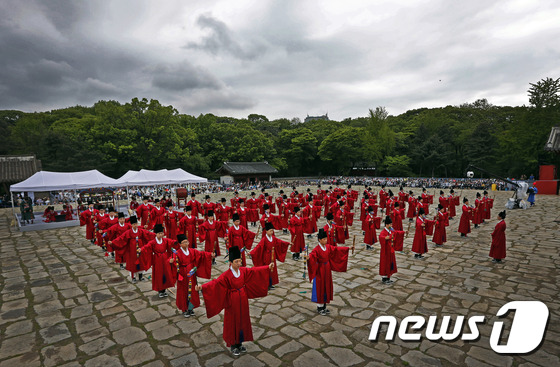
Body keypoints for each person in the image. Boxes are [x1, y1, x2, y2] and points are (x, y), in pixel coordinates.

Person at [196, 246, 273, 356]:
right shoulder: (226, 275)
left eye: (240, 261)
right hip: (232, 302)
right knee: (233, 321)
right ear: (230, 262)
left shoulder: (243, 271)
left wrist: (267, 267)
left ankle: (240, 343)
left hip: (243, 299)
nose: (239, 264)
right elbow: (215, 283)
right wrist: (202, 287)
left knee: (243, 320)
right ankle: (233, 345)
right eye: (236, 261)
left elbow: (254, 271)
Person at [304, 228, 350, 315]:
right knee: (320, 287)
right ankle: (319, 307)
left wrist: (347, 248)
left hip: (327, 269)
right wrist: (309, 257)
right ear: (319, 240)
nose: (326, 240)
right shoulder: (317, 249)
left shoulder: (328, 247)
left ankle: (324, 306)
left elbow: (336, 249)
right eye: (324, 239)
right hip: (320, 270)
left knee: (326, 286)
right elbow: (312, 255)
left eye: (326, 239)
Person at [169, 234, 213, 317]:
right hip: (182, 275)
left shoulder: (192, 251)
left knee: (192, 291)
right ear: (180, 244)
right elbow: (172, 259)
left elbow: (201, 254)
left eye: (187, 242)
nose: (186, 244)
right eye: (184, 242)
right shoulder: (177, 252)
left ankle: (191, 308)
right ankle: (184, 309)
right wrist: (171, 261)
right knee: (183, 292)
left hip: (191, 274)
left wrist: (210, 254)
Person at [112, 216, 154, 282]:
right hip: (131, 250)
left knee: (141, 262)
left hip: (140, 249)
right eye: (134, 224)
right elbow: (121, 238)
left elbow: (148, 234)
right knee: (132, 263)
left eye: (136, 224)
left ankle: (140, 276)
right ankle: (133, 277)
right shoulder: (128, 232)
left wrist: (156, 235)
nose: (135, 225)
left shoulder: (141, 231)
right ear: (131, 225)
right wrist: (113, 242)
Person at [250, 222, 290, 289]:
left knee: (272, 270)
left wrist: (288, 243)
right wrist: (251, 252)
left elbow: (280, 242)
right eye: (270, 231)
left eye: (272, 230)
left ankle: (271, 283)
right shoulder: (264, 239)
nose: (272, 232)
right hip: (267, 256)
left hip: (272, 256)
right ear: (266, 231)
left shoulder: (273, 238)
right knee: (267, 269)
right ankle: (266, 284)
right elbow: (258, 247)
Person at [141, 224, 176, 297]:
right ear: (156, 234)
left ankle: (164, 289)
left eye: (162, 233)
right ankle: (160, 290)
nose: (161, 235)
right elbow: (147, 247)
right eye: (159, 233)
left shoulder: (165, 240)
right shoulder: (153, 242)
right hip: (157, 259)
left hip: (165, 258)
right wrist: (141, 249)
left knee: (166, 273)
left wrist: (178, 241)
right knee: (158, 274)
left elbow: (172, 242)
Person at [378, 216, 404, 284]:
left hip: (391, 250)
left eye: (391, 224)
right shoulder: (383, 232)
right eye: (390, 224)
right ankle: (384, 278)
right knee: (385, 263)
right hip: (385, 251)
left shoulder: (391, 230)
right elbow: (380, 237)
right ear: (386, 225)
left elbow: (396, 233)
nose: (391, 225)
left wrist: (403, 232)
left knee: (390, 263)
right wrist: (385, 238)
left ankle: (388, 277)